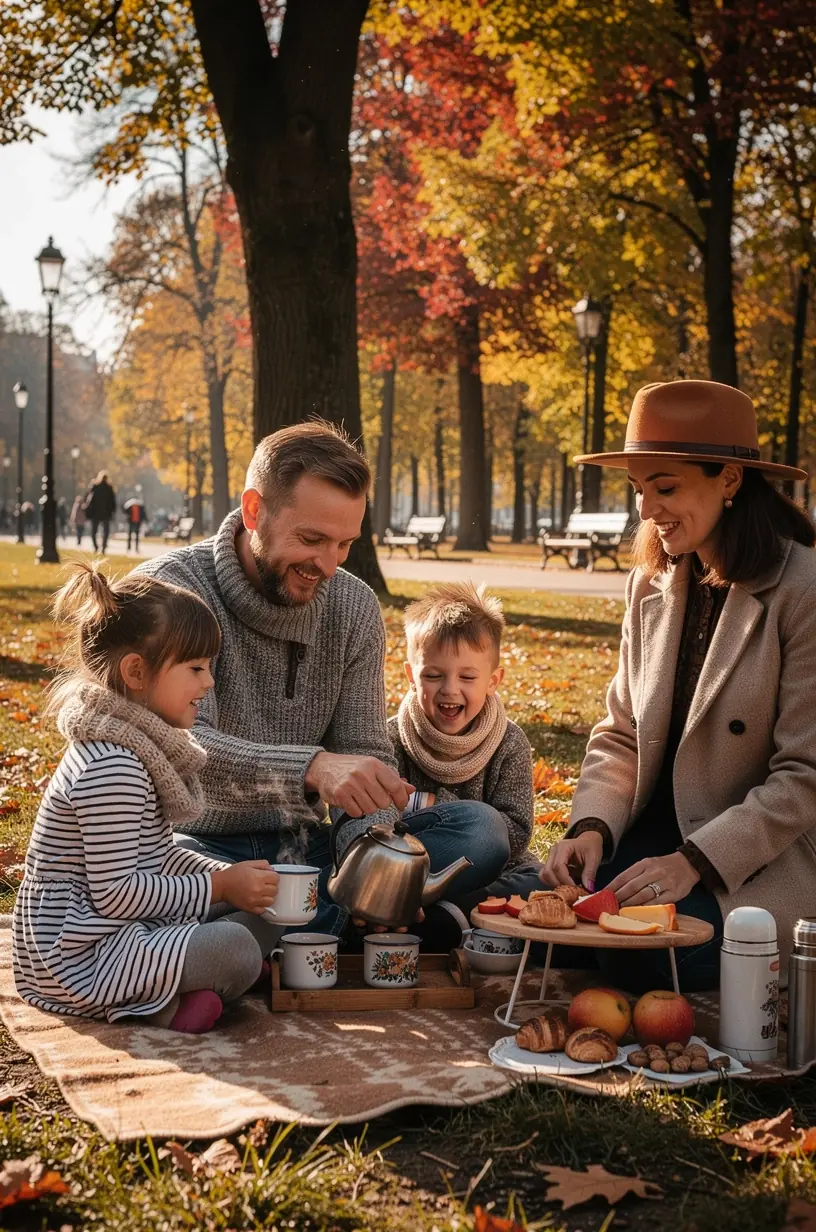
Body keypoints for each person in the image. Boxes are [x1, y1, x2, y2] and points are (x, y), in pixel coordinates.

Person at [136, 421, 510, 947]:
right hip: (197, 848)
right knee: (148, 889)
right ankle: (350, 925)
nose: (329, 566)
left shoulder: (354, 605)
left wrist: (375, 855)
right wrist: (313, 767)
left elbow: (362, 750)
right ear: (253, 511)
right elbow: (179, 749)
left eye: (345, 544)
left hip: (311, 852)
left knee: (481, 831)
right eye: (312, 540)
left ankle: (314, 922)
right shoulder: (171, 593)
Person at [540, 379, 816, 990]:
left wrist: (696, 862)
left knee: (644, 954)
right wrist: (590, 827)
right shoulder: (651, 585)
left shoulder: (803, 591)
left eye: (665, 488)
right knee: (540, 914)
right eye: (639, 490)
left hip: (747, 858)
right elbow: (619, 735)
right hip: (648, 835)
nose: (646, 511)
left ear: (730, 480)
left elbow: (804, 778)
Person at [12, 563, 281, 1034]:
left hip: (115, 928)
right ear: (137, 672)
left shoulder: (138, 749)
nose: (208, 683)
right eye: (196, 668)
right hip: (77, 954)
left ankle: (189, 978)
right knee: (237, 947)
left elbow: (156, 857)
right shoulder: (113, 768)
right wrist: (219, 888)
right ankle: (163, 1004)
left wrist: (230, 878)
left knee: (268, 915)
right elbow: (116, 896)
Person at [388, 582, 541, 924]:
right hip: (417, 863)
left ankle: (450, 914)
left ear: (493, 680)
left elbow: (514, 833)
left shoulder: (509, 743)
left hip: (490, 869)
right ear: (412, 676)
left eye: (468, 677)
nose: (450, 689)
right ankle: (447, 914)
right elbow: (378, 821)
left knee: (540, 881)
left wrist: (428, 804)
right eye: (433, 675)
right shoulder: (392, 738)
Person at [84, 471, 117, 553]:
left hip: (95, 512)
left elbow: (88, 498)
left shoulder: (95, 486)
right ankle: (104, 547)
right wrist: (112, 511)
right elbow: (113, 502)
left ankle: (96, 547)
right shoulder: (109, 488)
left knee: (93, 531)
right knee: (106, 531)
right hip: (106, 513)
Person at [124, 489, 147, 553]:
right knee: (133, 535)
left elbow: (125, 511)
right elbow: (143, 513)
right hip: (134, 521)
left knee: (132, 535)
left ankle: (132, 548)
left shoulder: (130, 505)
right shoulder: (138, 505)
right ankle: (132, 548)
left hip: (134, 521)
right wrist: (145, 519)